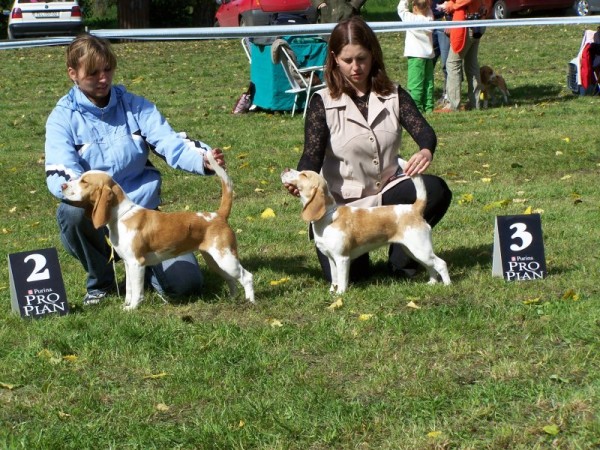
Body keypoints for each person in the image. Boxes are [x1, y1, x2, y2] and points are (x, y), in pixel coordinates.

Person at [44, 34, 226, 306]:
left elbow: (171, 142)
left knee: (186, 285)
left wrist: (203, 159)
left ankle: (144, 267)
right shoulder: (62, 117)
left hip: (145, 219)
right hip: (96, 216)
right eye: (93, 73)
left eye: (108, 69)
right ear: (73, 73)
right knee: (70, 211)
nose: (103, 78)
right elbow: (61, 170)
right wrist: (80, 191)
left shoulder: (136, 107)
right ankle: (102, 283)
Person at [284, 16, 452, 282]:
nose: (355, 68)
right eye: (347, 60)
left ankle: (402, 260)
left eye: (361, 59)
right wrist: (301, 179)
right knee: (352, 278)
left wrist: (425, 150)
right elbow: (311, 155)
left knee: (436, 189)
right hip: (344, 208)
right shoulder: (321, 102)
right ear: (334, 59)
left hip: (388, 191)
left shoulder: (394, 94)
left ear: (373, 55)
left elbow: (424, 131)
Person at [436, 0, 488, 112]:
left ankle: (453, 105)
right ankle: (475, 103)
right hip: (476, 22)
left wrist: (451, 6)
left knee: (452, 63)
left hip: (467, 25)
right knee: (471, 64)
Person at [397, 0, 435, 114]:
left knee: (416, 84)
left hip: (415, 55)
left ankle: (416, 109)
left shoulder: (410, 19)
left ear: (414, 6)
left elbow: (401, 9)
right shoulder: (430, 19)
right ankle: (429, 108)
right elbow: (427, 9)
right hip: (428, 55)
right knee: (428, 83)